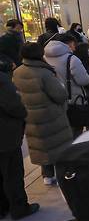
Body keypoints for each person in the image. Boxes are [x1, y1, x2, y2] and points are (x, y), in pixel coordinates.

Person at [13, 43, 73, 185]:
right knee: (57, 145)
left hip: (30, 116)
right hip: (50, 115)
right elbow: (59, 95)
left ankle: (47, 175)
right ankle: (60, 175)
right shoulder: (44, 72)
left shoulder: (18, 72)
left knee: (42, 146)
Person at [0, 57, 39, 219]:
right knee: (13, 173)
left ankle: (2, 208)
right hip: (5, 135)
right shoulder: (2, 80)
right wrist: (23, 115)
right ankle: (19, 207)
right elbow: (14, 105)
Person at [44, 34, 89, 137]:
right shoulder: (72, 59)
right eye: (74, 44)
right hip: (73, 101)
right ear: (69, 44)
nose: (75, 47)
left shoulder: (44, 58)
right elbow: (84, 80)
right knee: (75, 132)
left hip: (53, 101)